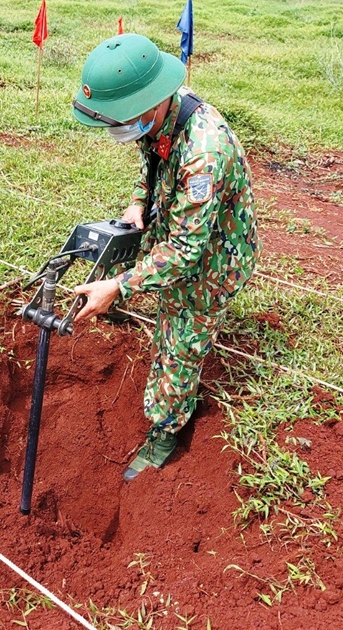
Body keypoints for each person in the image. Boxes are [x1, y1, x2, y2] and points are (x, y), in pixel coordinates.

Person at [71, 34, 259, 481]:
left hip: (214, 258)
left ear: (152, 101)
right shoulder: (158, 116)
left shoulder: (203, 152)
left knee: (179, 342)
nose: (122, 131)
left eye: (125, 121)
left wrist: (118, 286)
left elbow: (186, 252)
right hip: (179, 234)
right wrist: (139, 201)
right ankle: (121, 301)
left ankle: (166, 430)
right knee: (132, 265)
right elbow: (150, 161)